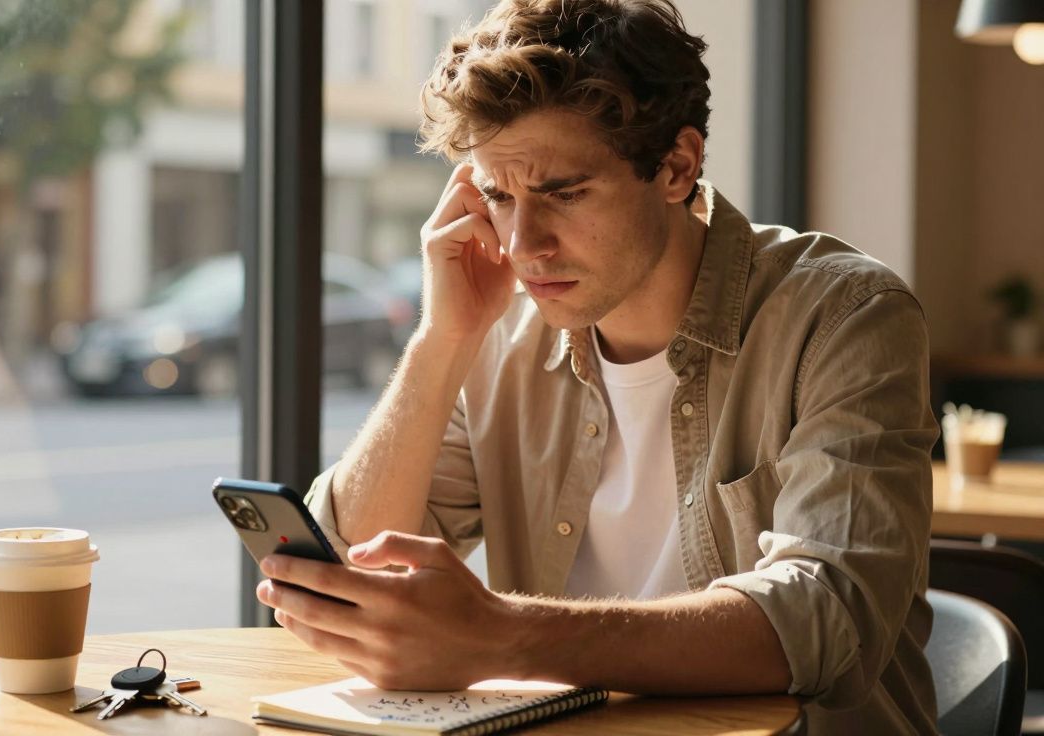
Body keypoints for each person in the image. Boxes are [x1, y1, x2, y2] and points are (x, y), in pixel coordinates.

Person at [254, 1, 939, 732]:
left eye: (563, 193)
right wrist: (442, 338)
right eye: (497, 196)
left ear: (677, 166)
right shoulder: (499, 333)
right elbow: (343, 580)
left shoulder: (844, 315)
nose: (524, 245)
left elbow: (826, 616)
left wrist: (501, 632)